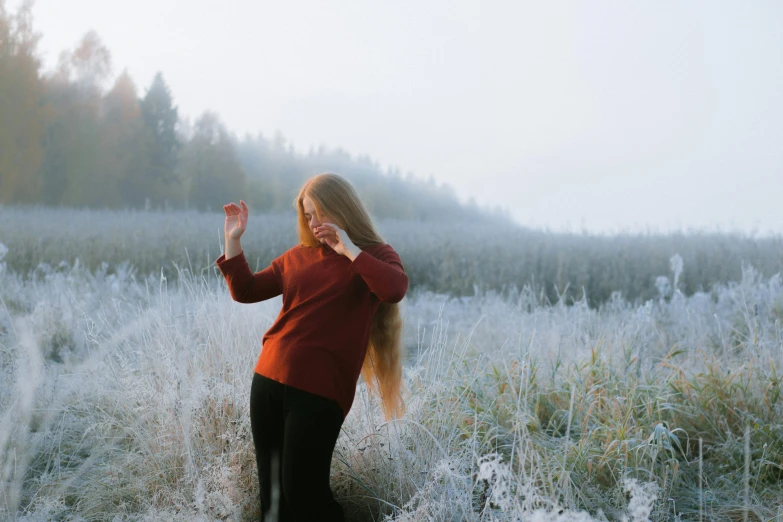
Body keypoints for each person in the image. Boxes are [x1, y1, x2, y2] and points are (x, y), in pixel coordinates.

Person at [215, 173, 409, 522]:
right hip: (268, 381)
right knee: (273, 499)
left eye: (320, 212)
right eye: (307, 215)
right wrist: (233, 240)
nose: (314, 223)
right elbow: (244, 290)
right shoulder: (298, 257)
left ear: (342, 208)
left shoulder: (375, 254)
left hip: (319, 392)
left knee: (305, 494)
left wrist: (349, 249)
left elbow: (394, 289)